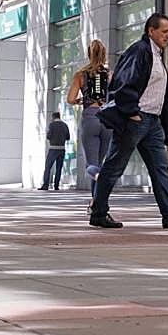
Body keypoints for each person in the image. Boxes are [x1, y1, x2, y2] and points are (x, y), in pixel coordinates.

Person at [92, 14, 168, 230]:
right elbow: (123, 81)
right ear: (151, 31)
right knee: (114, 166)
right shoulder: (140, 51)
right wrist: (132, 112)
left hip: (152, 122)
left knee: (160, 168)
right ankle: (98, 213)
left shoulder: (157, 54)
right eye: (164, 31)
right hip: (136, 119)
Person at [66, 40, 113, 211]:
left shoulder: (80, 74)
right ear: (104, 54)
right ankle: (96, 204)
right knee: (101, 162)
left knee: (92, 166)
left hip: (90, 118)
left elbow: (70, 99)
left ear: (88, 54)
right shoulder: (110, 74)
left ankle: (99, 177)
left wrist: (81, 100)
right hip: (107, 119)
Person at [39, 112, 70, 191]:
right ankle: (56, 185)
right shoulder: (65, 125)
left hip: (53, 148)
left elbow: (48, 136)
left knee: (48, 167)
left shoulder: (52, 125)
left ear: (53, 117)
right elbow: (68, 137)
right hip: (62, 149)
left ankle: (45, 185)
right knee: (59, 168)